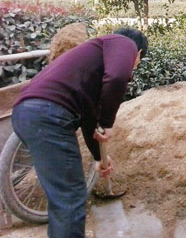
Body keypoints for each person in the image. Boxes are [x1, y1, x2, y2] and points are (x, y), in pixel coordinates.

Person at [11, 27, 148, 238]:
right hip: (49, 116)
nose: (134, 66)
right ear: (138, 53)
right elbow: (117, 77)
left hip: (27, 114)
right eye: (138, 61)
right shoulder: (124, 42)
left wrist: (99, 157)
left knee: (62, 199)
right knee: (70, 198)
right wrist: (108, 123)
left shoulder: (91, 63)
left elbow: (88, 119)